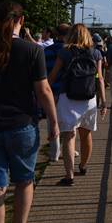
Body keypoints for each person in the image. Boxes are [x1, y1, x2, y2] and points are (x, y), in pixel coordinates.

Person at [0, 1, 59, 223]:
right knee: (24, 181)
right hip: (22, 126)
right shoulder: (32, 50)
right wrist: (53, 122)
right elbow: (43, 91)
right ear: (21, 21)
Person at [49, 24, 106, 186]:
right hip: (89, 99)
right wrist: (103, 102)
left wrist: (47, 94)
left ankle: (69, 176)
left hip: (68, 97)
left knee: (68, 136)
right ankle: (83, 165)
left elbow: (53, 76)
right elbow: (100, 78)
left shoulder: (65, 52)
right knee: (86, 135)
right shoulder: (96, 53)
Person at [43, 23, 70, 162]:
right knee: (67, 123)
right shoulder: (70, 51)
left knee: (51, 122)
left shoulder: (46, 51)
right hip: (67, 92)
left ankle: (54, 153)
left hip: (51, 90)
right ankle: (68, 149)